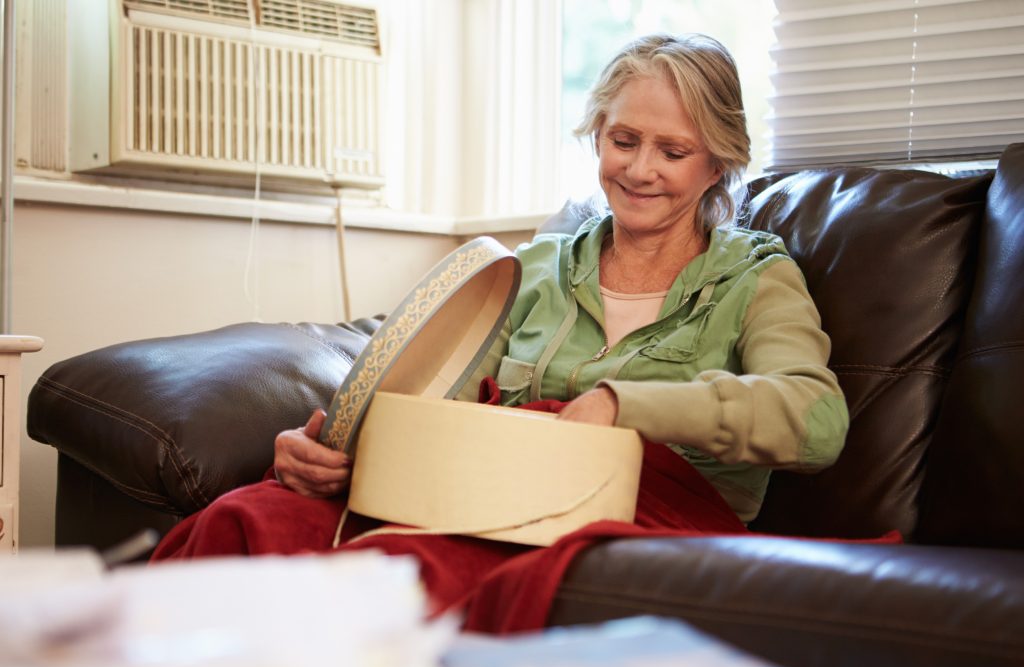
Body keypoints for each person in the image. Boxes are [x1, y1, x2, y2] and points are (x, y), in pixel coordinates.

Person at [154, 33, 849, 628]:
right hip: (482, 493)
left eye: (672, 151)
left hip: (646, 514)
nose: (639, 169)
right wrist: (326, 447)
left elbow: (814, 418)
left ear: (719, 161)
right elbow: (432, 405)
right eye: (623, 140)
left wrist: (622, 406)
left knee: (396, 571)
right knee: (240, 519)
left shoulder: (755, 275)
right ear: (597, 135)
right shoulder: (534, 266)